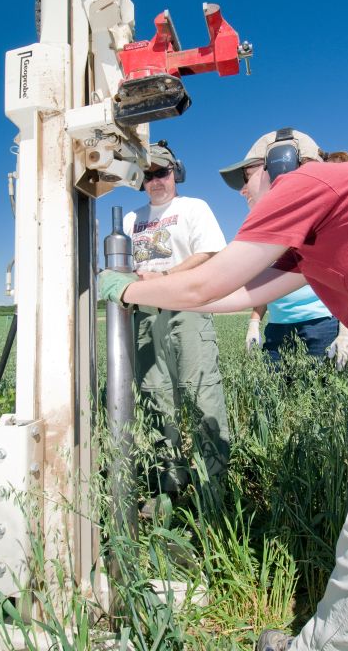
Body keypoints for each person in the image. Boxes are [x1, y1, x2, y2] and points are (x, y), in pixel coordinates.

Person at [100, 127, 348, 651]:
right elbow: (232, 296)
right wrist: (145, 293)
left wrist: (126, 287)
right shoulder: (311, 238)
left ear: (282, 163)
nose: (241, 189)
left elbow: (206, 282)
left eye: (247, 175)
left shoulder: (304, 187)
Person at [123, 139, 230, 501]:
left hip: (186, 309)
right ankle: (169, 484)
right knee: (155, 398)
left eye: (162, 172)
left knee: (201, 394)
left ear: (176, 173)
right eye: (149, 174)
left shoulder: (193, 208)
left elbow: (211, 251)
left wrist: (165, 276)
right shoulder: (130, 218)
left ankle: (213, 487)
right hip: (143, 316)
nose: (156, 180)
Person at [242, 149, 348, 368]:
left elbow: (346, 277)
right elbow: (265, 280)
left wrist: (346, 331)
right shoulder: (264, 227)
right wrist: (254, 323)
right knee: (275, 397)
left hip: (319, 323)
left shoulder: (316, 220)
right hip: (277, 325)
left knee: (320, 394)